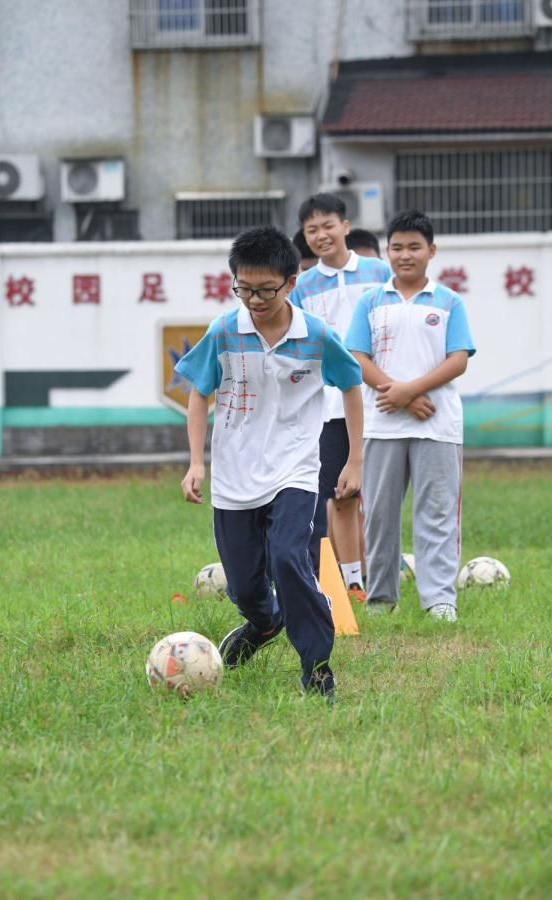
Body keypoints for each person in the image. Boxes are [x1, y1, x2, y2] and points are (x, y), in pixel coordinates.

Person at [175, 225, 364, 701]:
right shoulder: (224, 330)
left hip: (296, 469)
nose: (254, 300)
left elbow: (351, 387)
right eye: (244, 288)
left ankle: (317, 667)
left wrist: (355, 459)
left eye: (265, 290)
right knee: (243, 586)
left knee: (289, 560)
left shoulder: (317, 336)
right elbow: (199, 394)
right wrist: (196, 462)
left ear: (291, 282)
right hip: (236, 474)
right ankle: (263, 623)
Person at [345, 209, 476, 620]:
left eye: (414, 247)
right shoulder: (371, 301)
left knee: (437, 511)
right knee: (380, 515)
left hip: (437, 425)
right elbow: (356, 356)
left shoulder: (448, 300)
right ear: (387, 252)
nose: (405, 254)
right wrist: (399, 395)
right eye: (397, 247)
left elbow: (458, 359)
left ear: (431, 251)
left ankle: (439, 599)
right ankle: (381, 599)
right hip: (382, 425)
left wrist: (411, 390)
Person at [290, 193, 390, 595]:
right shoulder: (302, 286)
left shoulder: (380, 272)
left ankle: (384, 578)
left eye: (328, 225)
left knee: (381, 499)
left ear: (345, 226)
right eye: (312, 229)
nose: (321, 235)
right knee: (342, 495)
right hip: (332, 408)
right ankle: (352, 584)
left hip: (383, 403)